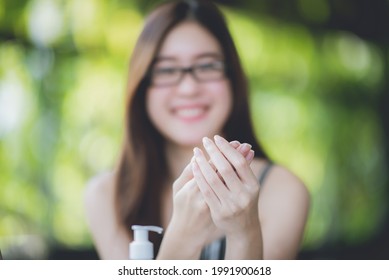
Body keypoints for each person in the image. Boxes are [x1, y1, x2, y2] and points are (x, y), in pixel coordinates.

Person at [84, 0, 310, 260]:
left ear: (233, 79)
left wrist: (244, 231)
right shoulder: (105, 196)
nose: (189, 88)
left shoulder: (282, 190)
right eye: (166, 70)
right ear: (141, 86)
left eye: (207, 66)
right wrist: (183, 236)